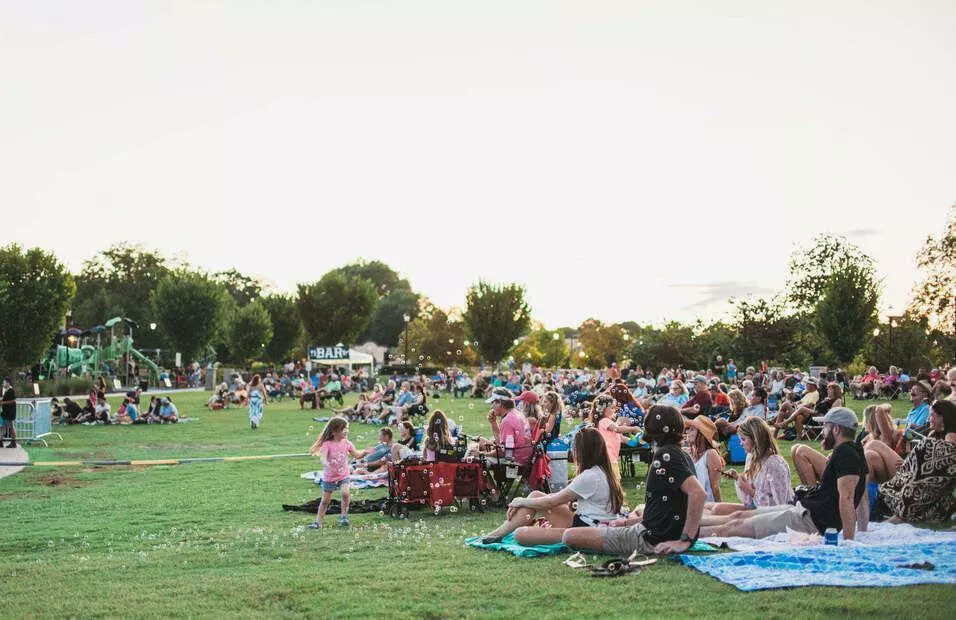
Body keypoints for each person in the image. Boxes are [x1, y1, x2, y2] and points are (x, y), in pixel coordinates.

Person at [562, 404, 707, 556]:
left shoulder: (667, 455)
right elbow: (665, 510)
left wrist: (685, 540)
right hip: (656, 534)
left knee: (570, 536)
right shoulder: (680, 453)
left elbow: (698, 493)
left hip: (648, 539)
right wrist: (625, 523)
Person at [703, 408, 867, 540]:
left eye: (825, 427)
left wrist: (848, 543)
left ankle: (686, 532)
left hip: (807, 521)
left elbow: (847, 498)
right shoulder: (856, 451)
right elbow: (862, 496)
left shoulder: (845, 454)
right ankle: (687, 525)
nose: (823, 432)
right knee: (737, 517)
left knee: (733, 527)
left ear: (836, 429)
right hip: (801, 511)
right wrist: (863, 530)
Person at [478, 427, 626, 545]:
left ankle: (496, 534)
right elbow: (555, 499)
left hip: (587, 531)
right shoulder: (601, 471)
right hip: (589, 522)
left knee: (520, 534)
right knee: (536, 495)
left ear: (583, 451)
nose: (572, 452)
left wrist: (520, 501)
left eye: (575, 448)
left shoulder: (590, 476)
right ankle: (496, 535)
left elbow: (552, 502)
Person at [706, 417, 792, 515]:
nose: (740, 444)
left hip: (772, 516)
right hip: (756, 508)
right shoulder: (751, 457)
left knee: (719, 512)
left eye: (743, 439)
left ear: (755, 439)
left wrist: (748, 489)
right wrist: (738, 478)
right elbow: (748, 501)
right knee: (710, 507)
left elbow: (780, 506)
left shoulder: (775, 464)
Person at [308, 417, 362, 528]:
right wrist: (326, 464)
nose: (346, 431)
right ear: (334, 431)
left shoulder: (347, 443)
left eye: (347, 428)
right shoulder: (327, 444)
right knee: (325, 501)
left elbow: (356, 455)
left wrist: (365, 452)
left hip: (344, 475)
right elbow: (323, 457)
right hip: (330, 477)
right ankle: (318, 522)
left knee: (345, 494)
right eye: (343, 429)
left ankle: (344, 517)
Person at [590, 394, 641, 481]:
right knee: (613, 482)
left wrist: (635, 441)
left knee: (614, 481)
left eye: (614, 407)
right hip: (606, 459)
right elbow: (617, 429)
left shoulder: (610, 423)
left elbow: (622, 439)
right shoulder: (604, 421)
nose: (614, 410)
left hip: (612, 459)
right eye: (611, 408)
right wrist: (633, 428)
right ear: (602, 409)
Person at [485, 387, 532, 465]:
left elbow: (503, 452)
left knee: (479, 460)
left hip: (515, 460)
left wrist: (482, 454)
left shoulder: (507, 421)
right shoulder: (517, 413)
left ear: (500, 403)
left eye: (493, 402)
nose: (491, 407)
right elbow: (501, 441)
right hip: (524, 456)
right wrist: (493, 423)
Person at [685, 416, 724, 502]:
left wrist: (719, 508)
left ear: (701, 434)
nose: (687, 432)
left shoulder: (711, 454)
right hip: (692, 505)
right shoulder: (689, 454)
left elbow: (715, 487)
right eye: (688, 429)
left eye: (692, 429)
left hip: (707, 506)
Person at [1, 377, 17, 448]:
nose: (3, 384)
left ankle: (13, 442)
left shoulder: (11, 391)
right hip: (5, 412)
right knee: (2, 427)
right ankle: (1, 441)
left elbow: (13, 401)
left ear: (7, 383)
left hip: (10, 413)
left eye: (4, 382)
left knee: (11, 427)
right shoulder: (6, 391)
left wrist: (3, 403)